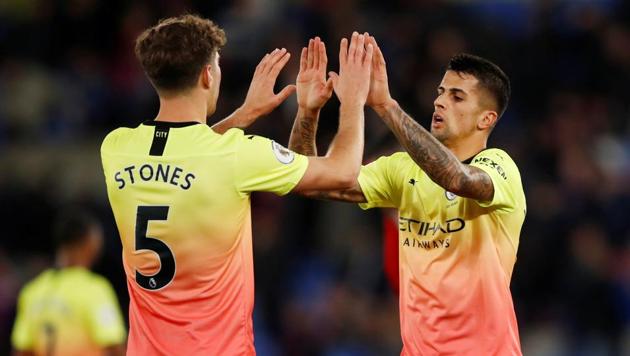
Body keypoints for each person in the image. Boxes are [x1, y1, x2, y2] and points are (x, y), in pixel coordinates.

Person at [100, 14, 373, 355]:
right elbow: (343, 171)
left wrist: (244, 115)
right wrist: (354, 101)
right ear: (207, 75)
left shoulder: (116, 148)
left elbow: (186, 156)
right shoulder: (236, 155)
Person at [288, 35, 526, 355]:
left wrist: (385, 106)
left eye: (457, 97)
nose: (439, 102)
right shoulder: (402, 170)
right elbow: (309, 182)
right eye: (440, 93)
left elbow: (457, 178)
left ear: (487, 119)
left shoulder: (500, 167)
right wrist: (308, 111)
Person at [11, 210, 126, 356]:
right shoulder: (94, 290)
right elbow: (114, 346)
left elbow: (22, 351)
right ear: (89, 242)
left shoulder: (32, 291)